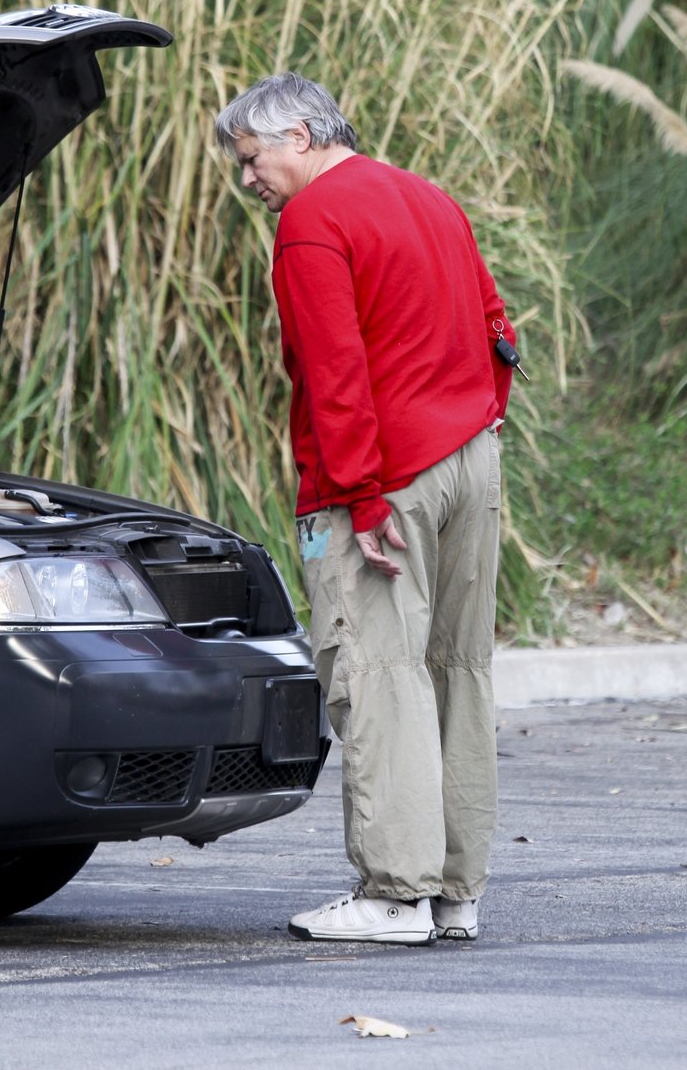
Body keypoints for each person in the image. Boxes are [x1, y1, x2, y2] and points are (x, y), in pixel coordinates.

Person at [215, 73, 519, 945]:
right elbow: (499, 328)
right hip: (471, 459)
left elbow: (332, 371)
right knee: (458, 668)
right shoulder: (430, 198)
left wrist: (359, 493)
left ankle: (393, 894)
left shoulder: (313, 221)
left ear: (301, 135)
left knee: (377, 670)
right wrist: (476, 423)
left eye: (252, 158)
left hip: (385, 481)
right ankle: (456, 892)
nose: (249, 181)